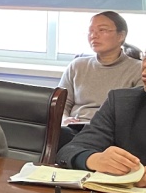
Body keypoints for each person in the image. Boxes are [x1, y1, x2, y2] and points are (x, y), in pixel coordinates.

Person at [56, 53, 146, 182]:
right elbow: (69, 151)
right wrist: (95, 159)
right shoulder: (121, 103)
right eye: (145, 58)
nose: (144, 71)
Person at [57, 11, 140, 126]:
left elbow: (138, 114)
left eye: (102, 30)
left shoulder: (138, 69)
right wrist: (64, 120)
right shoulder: (77, 65)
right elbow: (61, 104)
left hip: (111, 130)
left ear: (121, 36)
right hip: (74, 127)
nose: (93, 36)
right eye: (90, 31)